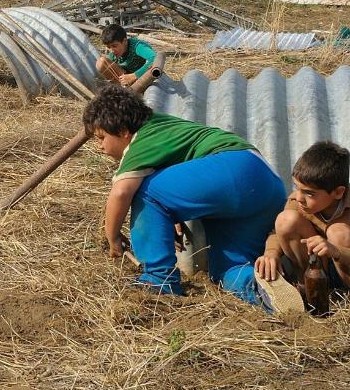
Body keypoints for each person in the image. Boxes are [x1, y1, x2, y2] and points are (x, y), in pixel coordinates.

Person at [86, 85, 286, 307]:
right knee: (226, 271)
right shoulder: (163, 125)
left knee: (144, 190)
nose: (99, 147)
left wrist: (112, 237)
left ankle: (159, 280)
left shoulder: (140, 141)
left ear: (123, 131)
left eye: (101, 137)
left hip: (234, 168)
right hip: (268, 184)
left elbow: (122, 192)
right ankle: (267, 291)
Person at [254, 141, 350, 306]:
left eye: (309, 193)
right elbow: (277, 234)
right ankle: (308, 290)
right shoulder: (297, 202)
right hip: (315, 271)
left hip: (344, 271)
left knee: (338, 232)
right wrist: (271, 253)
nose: (299, 197)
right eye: (296, 187)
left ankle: (344, 296)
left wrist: (336, 251)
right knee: (286, 220)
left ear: (338, 192)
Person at [96, 24, 161, 93]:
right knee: (101, 62)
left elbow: (155, 58)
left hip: (143, 80)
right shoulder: (113, 55)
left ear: (125, 41)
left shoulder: (136, 46)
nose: (112, 51)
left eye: (114, 46)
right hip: (127, 82)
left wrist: (134, 76)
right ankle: (122, 92)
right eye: (109, 47)